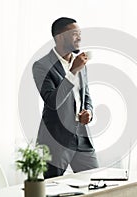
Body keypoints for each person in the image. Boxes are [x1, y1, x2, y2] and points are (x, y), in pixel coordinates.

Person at [32, 17, 99, 178]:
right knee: (53, 190)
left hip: (81, 137)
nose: (80, 38)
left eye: (80, 33)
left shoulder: (80, 64)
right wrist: (72, 72)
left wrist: (88, 112)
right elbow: (52, 102)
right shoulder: (41, 66)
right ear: (60, 37)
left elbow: (86, 95)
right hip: (55, 140)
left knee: (96, 183)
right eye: (75, 34)